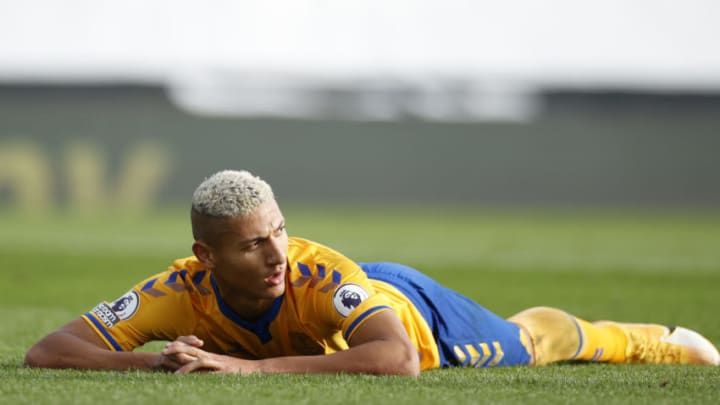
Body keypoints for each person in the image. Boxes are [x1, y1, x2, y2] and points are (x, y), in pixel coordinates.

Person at [24, 170, 720, 375]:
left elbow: (395, 359)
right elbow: (49, 351)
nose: (275, 255)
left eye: (279, 232)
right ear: (206, 258)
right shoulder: (177, 292)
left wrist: (250, 372)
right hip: (353, 315)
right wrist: (156, 366)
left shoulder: (316, 272)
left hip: (405, 312)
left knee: (526, 345)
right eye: (251, 245)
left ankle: (648, 338)